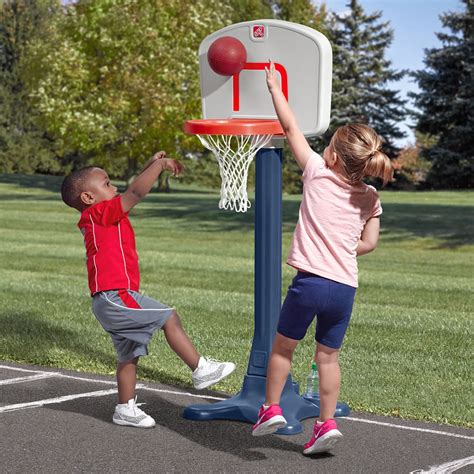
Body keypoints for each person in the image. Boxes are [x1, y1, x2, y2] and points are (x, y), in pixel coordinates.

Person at [251, 62, 393, 454]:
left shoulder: (316, 171)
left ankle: (271, 409)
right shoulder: (370, 196)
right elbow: (370, 243)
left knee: (283, 348)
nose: (323, 148)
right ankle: (326, 423)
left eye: (327, 144)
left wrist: (275, 88)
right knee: (327, 358)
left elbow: (290, 128)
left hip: (310, 283)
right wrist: (344, 248)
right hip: (345, 287)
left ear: (331, 157)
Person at [61, 152, 235, 428]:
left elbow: (132, 188)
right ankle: (201, 368)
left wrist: (149, 166)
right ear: (88, 198)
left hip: (110, 299)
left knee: (129, 354)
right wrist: (160, 166)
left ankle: (125, 408)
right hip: (115, 295)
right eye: (106, 184)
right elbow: (136, 192)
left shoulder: (100, 214)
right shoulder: (99, 213)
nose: (114, 187)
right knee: (169, 316)